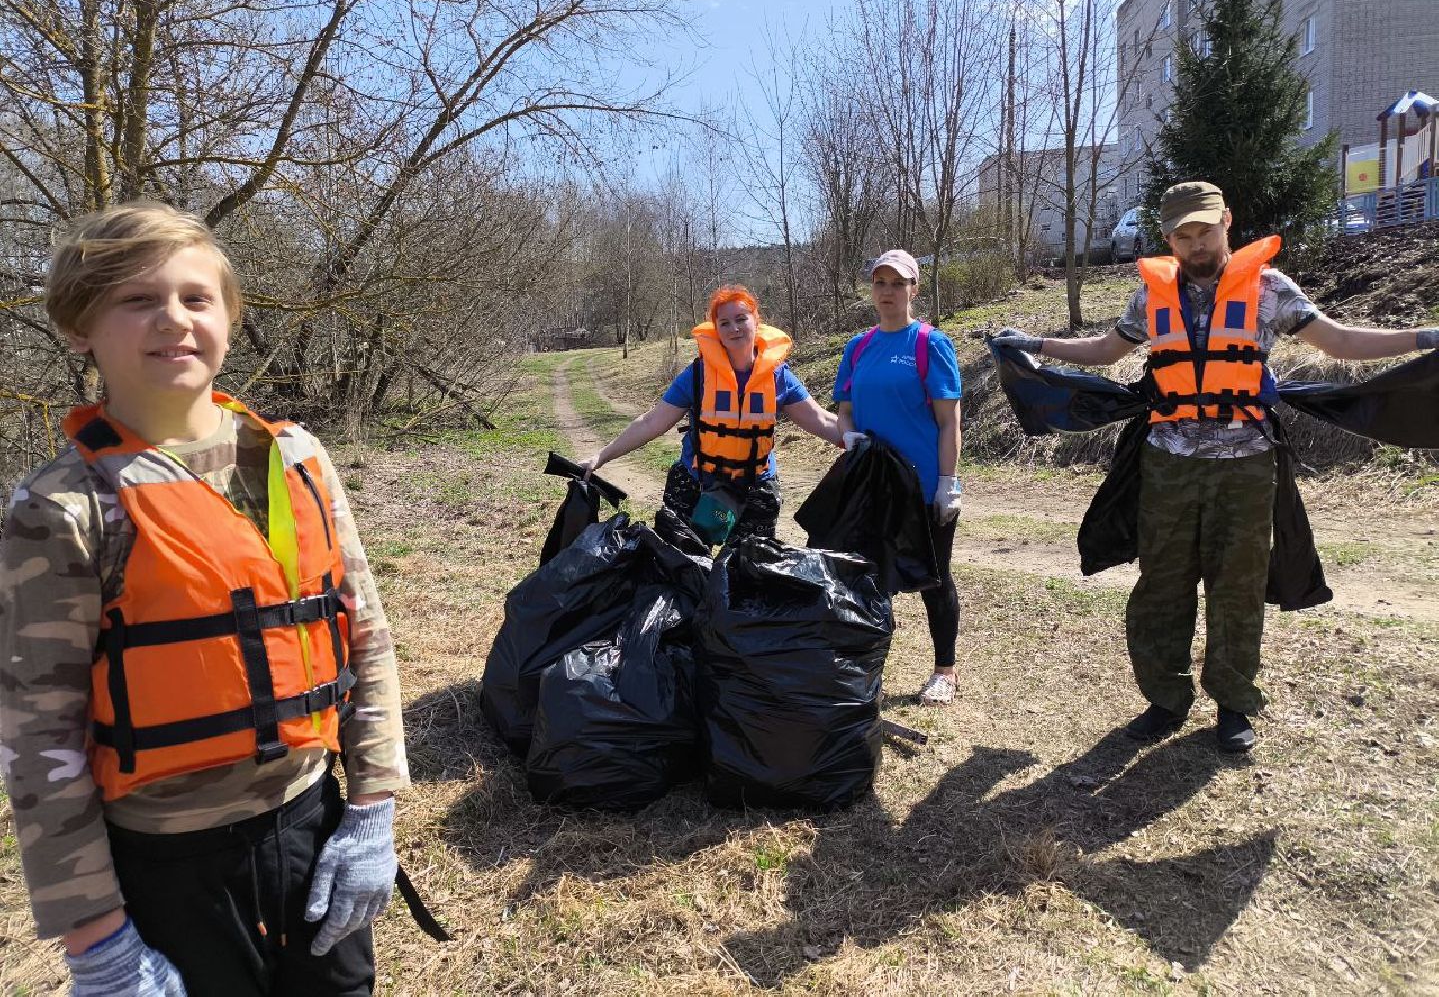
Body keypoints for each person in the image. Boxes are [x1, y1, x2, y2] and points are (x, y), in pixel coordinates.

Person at [0, 202, 411, 995]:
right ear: (80, 327)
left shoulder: (296, 457)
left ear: (228, 316)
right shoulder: (65, 505)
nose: (173, 321)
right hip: (168, 865)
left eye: (196, 298)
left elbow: (364, 635)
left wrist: (372, 810)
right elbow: (37, 737)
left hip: (313, 824)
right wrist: (99, 944)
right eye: (137, 300)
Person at [993, 180, 1439, 752]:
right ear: (1168, 238)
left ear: (1227, 220)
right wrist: (1035, 344)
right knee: (1162, 584)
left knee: (1238, 586)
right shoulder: (1150, 298)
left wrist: (1425, 336)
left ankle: (1233, 704)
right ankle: (1164, 700)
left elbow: (1341, 342)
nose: (1196, 242)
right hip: (1169, 463)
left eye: (1205, 229)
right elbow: (1106, 351)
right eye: (1183, 234)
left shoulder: (1270, 290)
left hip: (1246, 465)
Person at [581, 285, 840, 544]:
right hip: (695, 483)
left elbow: (822, 420)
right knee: (680, 568)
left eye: (741, 319)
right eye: (724, 323)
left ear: (756, 321)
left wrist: (859, 439)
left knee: (748, 573)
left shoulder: (778, 377)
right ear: (716, 329)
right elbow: (652, 422)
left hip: (755, 488)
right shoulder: (698, 375)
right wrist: (601, 457)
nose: (734, 328)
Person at [834, 249, 964, 706]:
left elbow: (950, 421)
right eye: (879, 283)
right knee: (866, 575)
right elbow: (844, 407)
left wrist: (948, 482)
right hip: (872, 484)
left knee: (934, 577)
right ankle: (866, 668)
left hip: (924, 484)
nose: (887, 292)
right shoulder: (858, 347)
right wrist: (848, 435)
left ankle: (944, 670)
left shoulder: (929, 344)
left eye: (897, 283)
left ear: (914, 289)